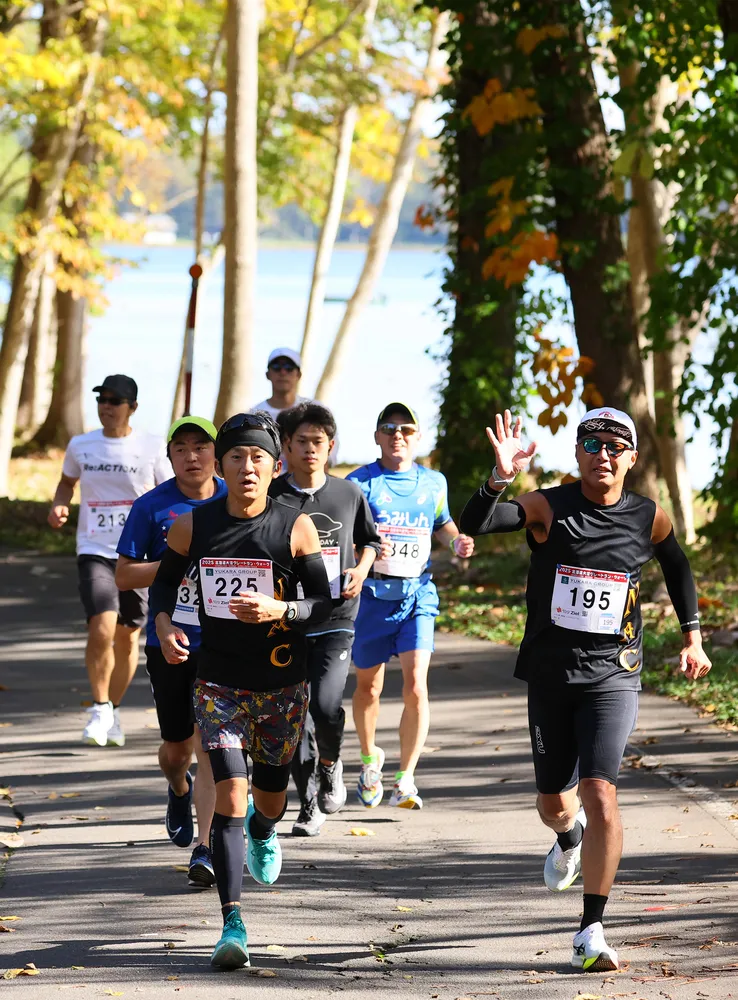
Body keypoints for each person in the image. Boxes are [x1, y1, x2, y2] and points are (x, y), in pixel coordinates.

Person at [459, 407, 712, 973]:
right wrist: (499, 478)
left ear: (631, 457)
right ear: (577, 453)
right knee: (555, 805)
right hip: (552, 675)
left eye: (615, 445)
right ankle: (567, 838)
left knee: (602, 793)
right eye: (591, 443)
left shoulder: (649, 517)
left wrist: (692, 637)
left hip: (612, 675)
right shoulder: (549, 506)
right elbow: (476, 523)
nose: (603, 453)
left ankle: (590, 927)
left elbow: (679, 567)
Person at [150, 411, 332, 970]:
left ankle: (264, 828)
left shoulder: (295, 527)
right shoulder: (193, 526)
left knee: (268, 799)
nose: (247, 467)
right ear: (221, 466)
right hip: (219, 683)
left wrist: (282, 608)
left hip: (281, 686)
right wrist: (164, 626)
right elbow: (162, 590)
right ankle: (232, 923)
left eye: (257, 458)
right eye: (236, 457)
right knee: (230, 791)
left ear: (274, 466)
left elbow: (328, 604)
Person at [346, 403, 475, 810]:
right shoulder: (359, 484)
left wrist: (457, 541)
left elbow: (442, 524)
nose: (397, 435)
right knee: (369, 686)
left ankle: (406, 778)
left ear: (418, 437)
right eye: (388, 428)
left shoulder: (433, 482)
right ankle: (369, 760)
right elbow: (342, 537)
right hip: (371, 598)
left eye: (406, 429)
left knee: (416, 685)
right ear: (377, 436)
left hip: (418, 593)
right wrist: (360, 550)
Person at [115, 416, 225, 886]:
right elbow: (123, 575)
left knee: (210, 744)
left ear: (216, 453)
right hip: (171, 639)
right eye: (181, 448)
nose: (192, 455)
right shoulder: (151, 507)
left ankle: (205, 847)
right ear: (170, 456)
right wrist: (175, 562)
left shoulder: (236, 499)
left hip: (224, 642)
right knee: (178, 748)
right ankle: (177, 788)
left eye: (201, 446)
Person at [271, 402, 381, 836]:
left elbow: (370, 541)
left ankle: (332, 764)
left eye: (319, 442)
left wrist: (362, 567)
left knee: (325, 704)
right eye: (302, 442)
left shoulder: (348, 494)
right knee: (294, 713)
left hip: (337, 616)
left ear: (331, 446)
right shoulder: (273, 495)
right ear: (287, 447)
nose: (311, 449)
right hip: (287, 620)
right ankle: (308, 803)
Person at [48, 374, 170, 747]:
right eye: (102, 399)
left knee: (127, 635)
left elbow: (168, 490)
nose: (107, 406)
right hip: (95, 550)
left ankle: (113, 711)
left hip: (137, 553)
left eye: (115, 401)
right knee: (101, 626)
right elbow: (68, 482)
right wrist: (59, 503)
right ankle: (99, 706)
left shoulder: (150, 446)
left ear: (132, 408)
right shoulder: (82, 445)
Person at [249, 348, 309, 422]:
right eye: (276, 367)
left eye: (289, 367)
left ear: (299, 375)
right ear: (267, 375)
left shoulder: (313, 412)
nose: (283, 372)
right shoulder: (254, 416)